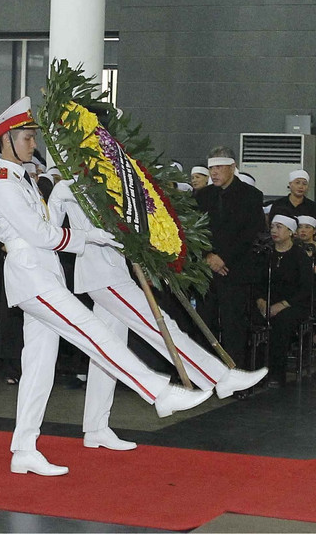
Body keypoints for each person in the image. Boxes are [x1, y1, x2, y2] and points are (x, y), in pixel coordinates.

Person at [0, 97, 212, 476]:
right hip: (32, 275)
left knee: (39, 366)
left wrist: (96, 236)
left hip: (44, 273)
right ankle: (158, 392)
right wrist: (88, 238)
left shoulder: (24, 179)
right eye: (25, 137)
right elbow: (39, 233)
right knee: (93, 334)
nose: (32, 144)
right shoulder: (5, 184)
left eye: (31, 137)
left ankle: (24, 448)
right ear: (6, 139)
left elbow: (46, 232)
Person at [48, 178, 268, 450]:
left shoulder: (108, 179)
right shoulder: (68, 187)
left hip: (114, 271)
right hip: (101, 274)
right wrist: (86, 240)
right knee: (159, 326)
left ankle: (96, 427)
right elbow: (51, 231)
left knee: (108, 355)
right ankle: (218, 377)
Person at [195, 148, 268, 370]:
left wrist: (223, 258)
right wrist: (208, 256)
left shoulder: (251, 195)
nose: (214, 173)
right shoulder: (202, 195)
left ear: (232, 167)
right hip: (207, 270)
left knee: (233, 326)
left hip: (234, 270)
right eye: (211, 168)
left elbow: (250, 234)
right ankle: (204, 374)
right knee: (204, 324)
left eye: (218, 168)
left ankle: (236, 376)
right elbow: (194, 231)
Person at [256, 214, 312, 387]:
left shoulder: (299, 256)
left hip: (293, 304)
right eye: (272, 226)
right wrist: (260, 301)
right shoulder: (266, 253)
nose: (274, 230)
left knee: (281, 322)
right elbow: (256, 281)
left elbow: (306, 288)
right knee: (249, 319)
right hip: (266, 302)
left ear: (290, 232)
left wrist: (282, 305)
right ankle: (254, 370)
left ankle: (276, 373)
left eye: (279, 227)